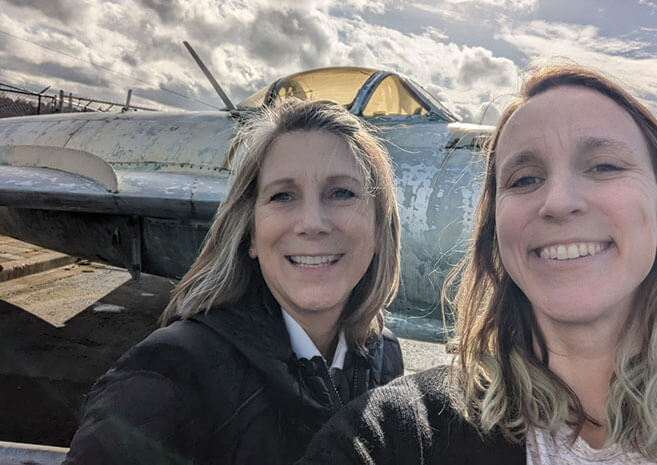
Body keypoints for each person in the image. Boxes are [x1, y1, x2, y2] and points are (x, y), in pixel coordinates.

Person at [301, 65, 657, 465]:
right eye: (525, 179)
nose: (557, 202)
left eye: (604, 166)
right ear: (497, 233)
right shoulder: (397, 437)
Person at [63, 99, 404, 465]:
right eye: (282, 195)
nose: (312, 222)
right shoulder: (169, 374)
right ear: (252, 235)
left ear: (378, 227)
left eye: (342, 193)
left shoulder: (383, 358)